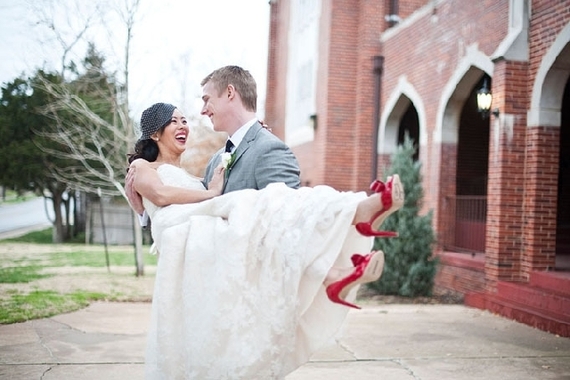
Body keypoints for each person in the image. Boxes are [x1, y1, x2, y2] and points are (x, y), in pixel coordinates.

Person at [127, 100, 404, 379]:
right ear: (154, 133)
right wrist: (211, 193)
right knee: (255, 207)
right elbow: (161, 196)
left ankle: (337, 261)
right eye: (174, 121)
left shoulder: (195, 176)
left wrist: (255, 138)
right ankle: (356, 217)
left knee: (267, 224)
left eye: (184, 120)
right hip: (182, 235)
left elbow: (189, 193)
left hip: (198, 235)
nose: (183, 125)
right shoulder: (142, 165)